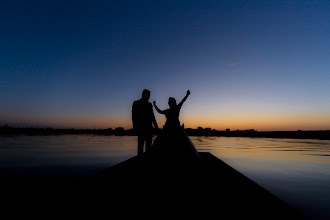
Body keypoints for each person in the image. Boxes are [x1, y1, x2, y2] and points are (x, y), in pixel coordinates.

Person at [152, 90, 200, 160]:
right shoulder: (170, 110)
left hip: (174, 129)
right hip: (170, 129)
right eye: (170, 102)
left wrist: (187, 95)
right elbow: (160, 111)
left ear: (171, 103)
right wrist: (155, 105)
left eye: (170, 102)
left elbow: (160, 111)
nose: (170, 103)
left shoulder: (174, 108)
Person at [132, 89, 159, 155]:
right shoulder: (136, 103)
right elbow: (134, 117)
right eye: (148, 96)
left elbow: (152, 117)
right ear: (144, 95)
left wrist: (156, 128)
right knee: (142, 147)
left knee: (145, 147)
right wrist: (156, 128)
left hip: (147, 129)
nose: (149, 97)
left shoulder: (147, 104)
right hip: (142, 129)